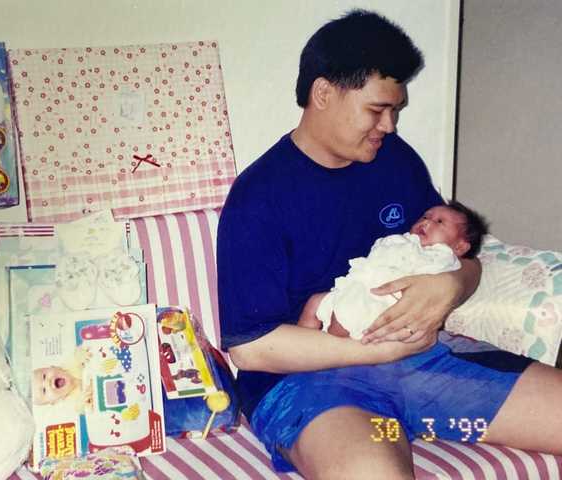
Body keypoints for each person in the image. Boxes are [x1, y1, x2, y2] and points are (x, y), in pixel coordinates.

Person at [217, 9, 562, 479]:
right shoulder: (259, 197)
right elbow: (252, 349)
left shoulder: (395, 162)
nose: (391, 126)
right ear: (323, 93)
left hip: (427, 370)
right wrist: (377, 353)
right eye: (377, 110)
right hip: (315, 389)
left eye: (395, 110)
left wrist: (453, 286)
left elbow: (462, 254)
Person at [298, 201, 488, 339]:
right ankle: (303, 345)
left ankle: (331, 355)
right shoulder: (403, 239)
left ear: (460, 247)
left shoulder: (442, 257)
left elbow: (429, 285)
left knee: (343, 321)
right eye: (425, 216)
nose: (427, 222)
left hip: (383, 304)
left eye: (439, 222)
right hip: (359, 287)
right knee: (315, 302)